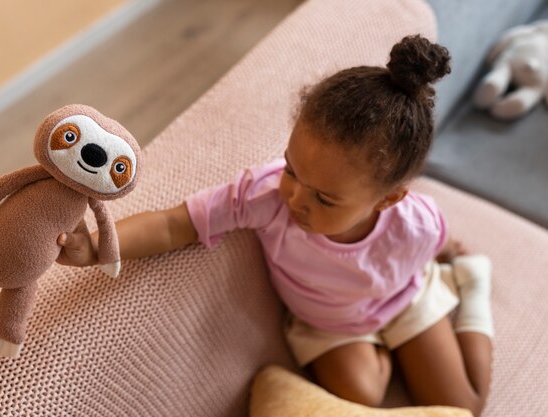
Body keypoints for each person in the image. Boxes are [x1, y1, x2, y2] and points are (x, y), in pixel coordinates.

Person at [56, 35, 494, 416]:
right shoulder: (264, 196)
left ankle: (474, 284)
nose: (295, 199)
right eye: (291, 169)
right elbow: (174, 225)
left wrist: (444, 258)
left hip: (403, 297)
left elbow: (429, 245)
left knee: (463, 407)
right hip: (330, 323)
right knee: (362, 395)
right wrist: (96, 246)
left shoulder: (416, 221)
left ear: (390, 197)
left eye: (325, 198)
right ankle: (385, 348)